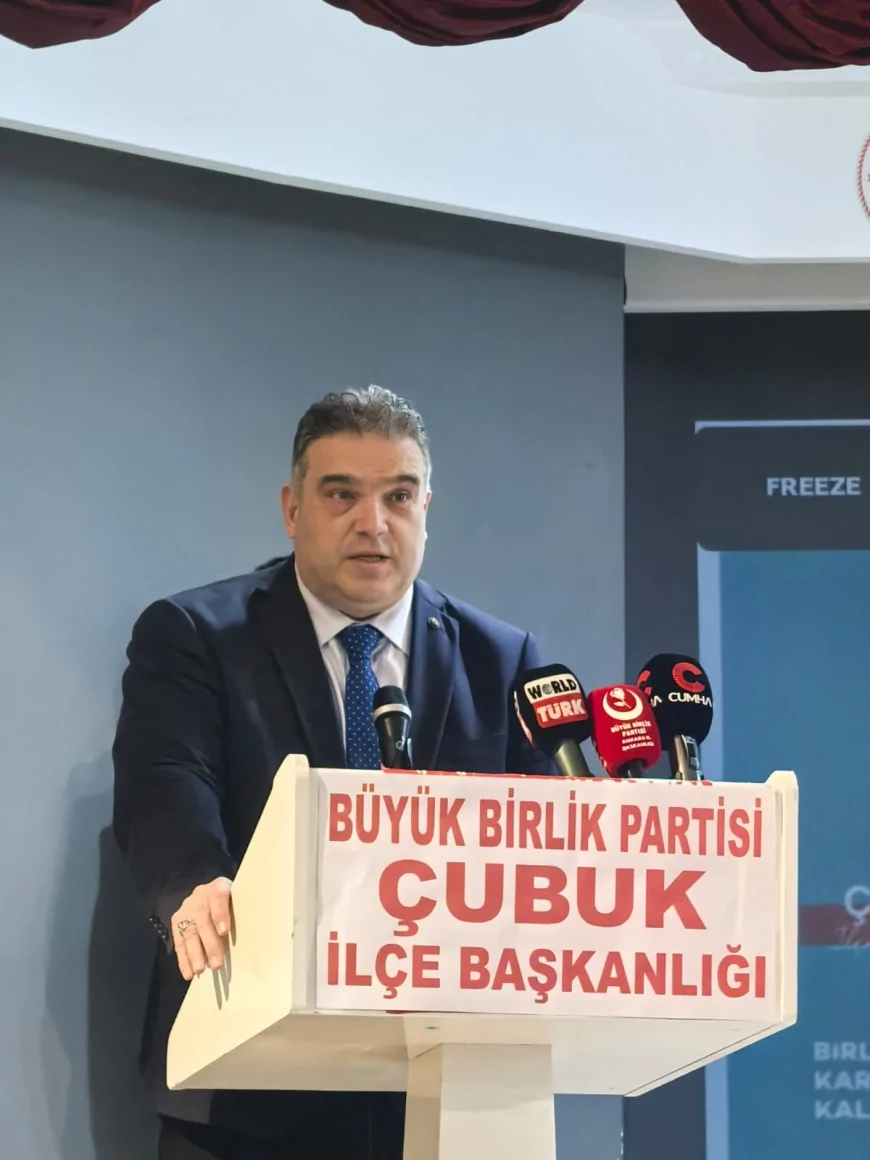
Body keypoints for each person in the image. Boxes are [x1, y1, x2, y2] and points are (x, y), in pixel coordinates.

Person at [112, 386, 551, 1160]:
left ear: (426, 509)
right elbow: (168, 784)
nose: (372, 523)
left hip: (450, 1086)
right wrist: (194, 886)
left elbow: (546, 833)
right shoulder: (196, 635)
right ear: (293, 509)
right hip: (248, 1088)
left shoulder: (502, 659)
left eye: (398, 496)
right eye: (341, 494)